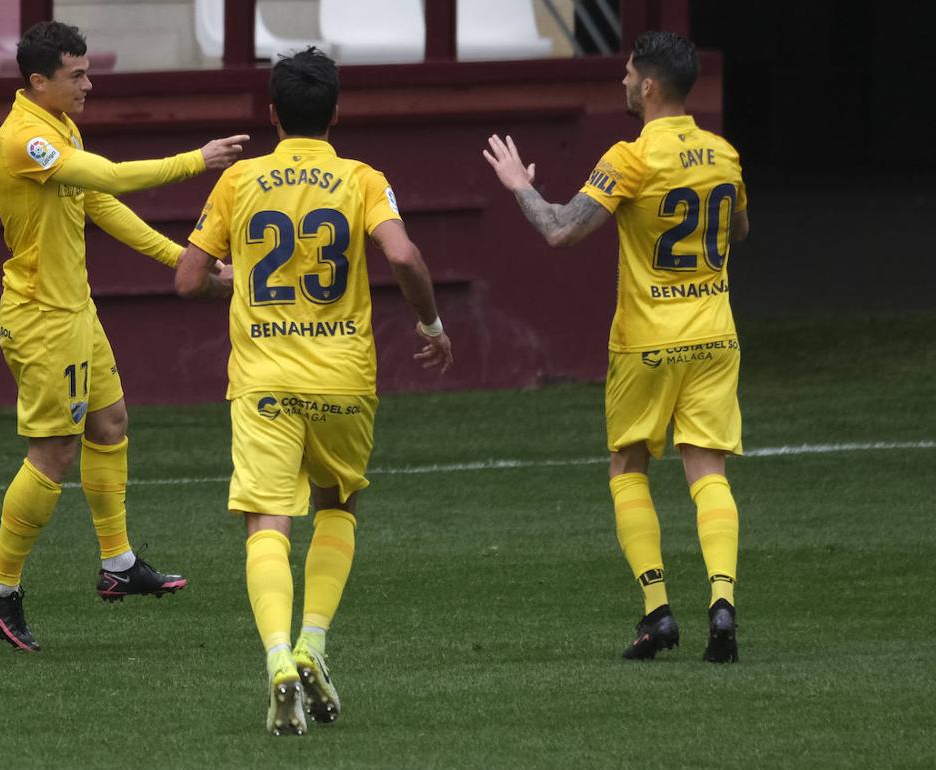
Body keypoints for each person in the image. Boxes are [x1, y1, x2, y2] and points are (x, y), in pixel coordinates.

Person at [175, 47, 453, 735]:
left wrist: (226, 279)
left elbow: (186, 278)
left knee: (266, 521)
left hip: (264, 378)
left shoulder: (239, 180)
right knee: (338, 503)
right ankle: (314, 645)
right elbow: (405, 256)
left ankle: (276, 661)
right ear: (336, 111)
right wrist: (432, 323)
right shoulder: (361, 178)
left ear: (271, 113)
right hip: (343, 377)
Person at [0, 21, 249, 652]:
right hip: (43, 318)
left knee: (111, 423)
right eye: (77, 76)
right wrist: (194, 161)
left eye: (88, 72)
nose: (89, 84)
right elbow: (114, 179)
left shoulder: (59, 124)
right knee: (54, 454)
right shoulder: (24, 140)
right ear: (39, 82)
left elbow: (100, 204)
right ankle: (0, 584)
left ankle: (118, 565)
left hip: (76, 311)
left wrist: (184, 259)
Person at [482, 30, 749, 663]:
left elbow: (561, 230)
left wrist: (520, 184)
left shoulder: (630, 157)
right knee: (707, 470)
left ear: (650, 85)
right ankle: (722, 602)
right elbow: (737, 230)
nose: (622, 82)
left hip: (647, 341)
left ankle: (658, 612)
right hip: (715, 334)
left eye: (628, 74)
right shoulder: (724, 153)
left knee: (628, 465)